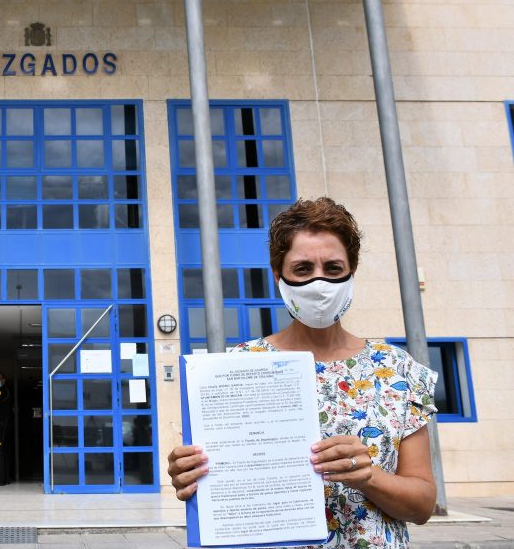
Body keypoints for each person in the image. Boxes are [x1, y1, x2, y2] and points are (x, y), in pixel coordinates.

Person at [167, 197, 438, 548]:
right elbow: (223, 485)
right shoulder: (236, 367)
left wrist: (368, 477)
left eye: (334, 268)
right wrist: (193, 476)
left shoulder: (397, 370)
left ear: (352, 271)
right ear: (278, 275)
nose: (319, 283)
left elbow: (422, 505)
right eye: (303, 269)